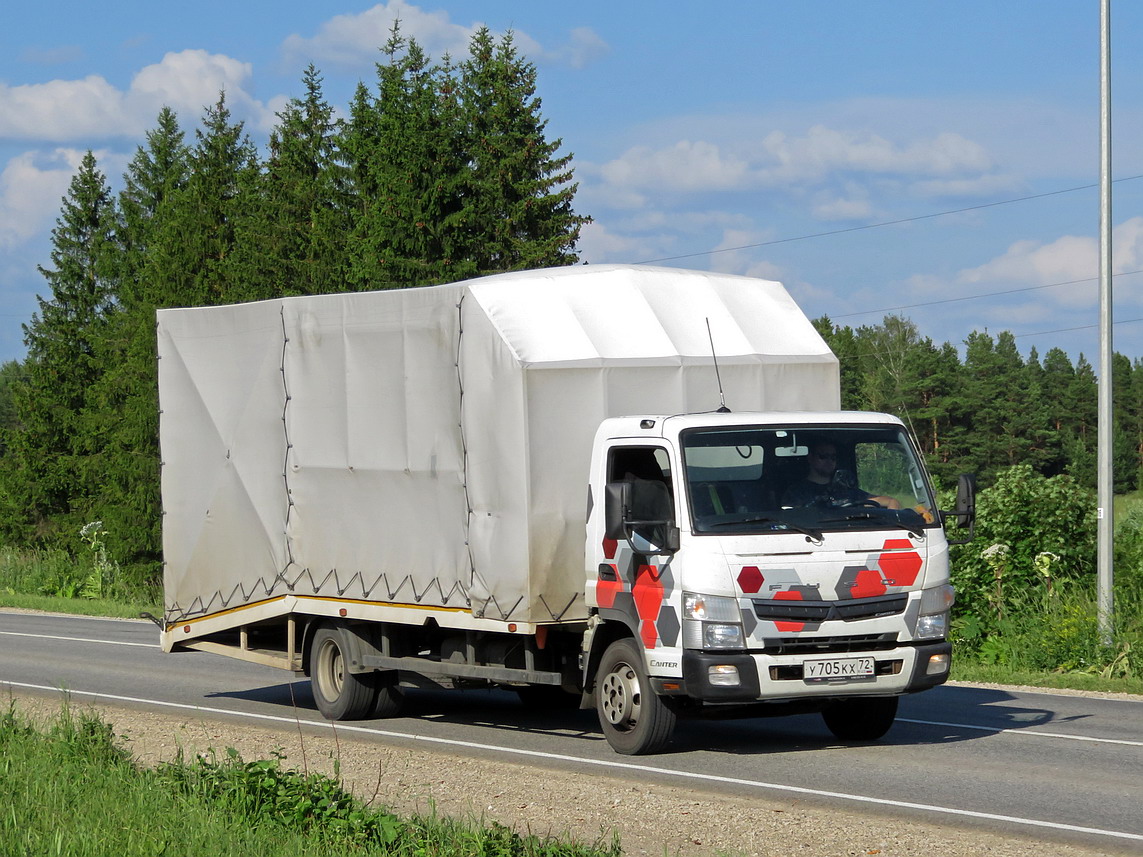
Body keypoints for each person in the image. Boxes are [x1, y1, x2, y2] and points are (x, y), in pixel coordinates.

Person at [782, 441, 901, 509]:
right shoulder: (796, 493)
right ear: (810, 458)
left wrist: (894, 520)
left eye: (833, 457)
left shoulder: (845, 489)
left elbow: (890, 501)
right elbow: (792, 521)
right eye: (823, 456)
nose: (829, 461)